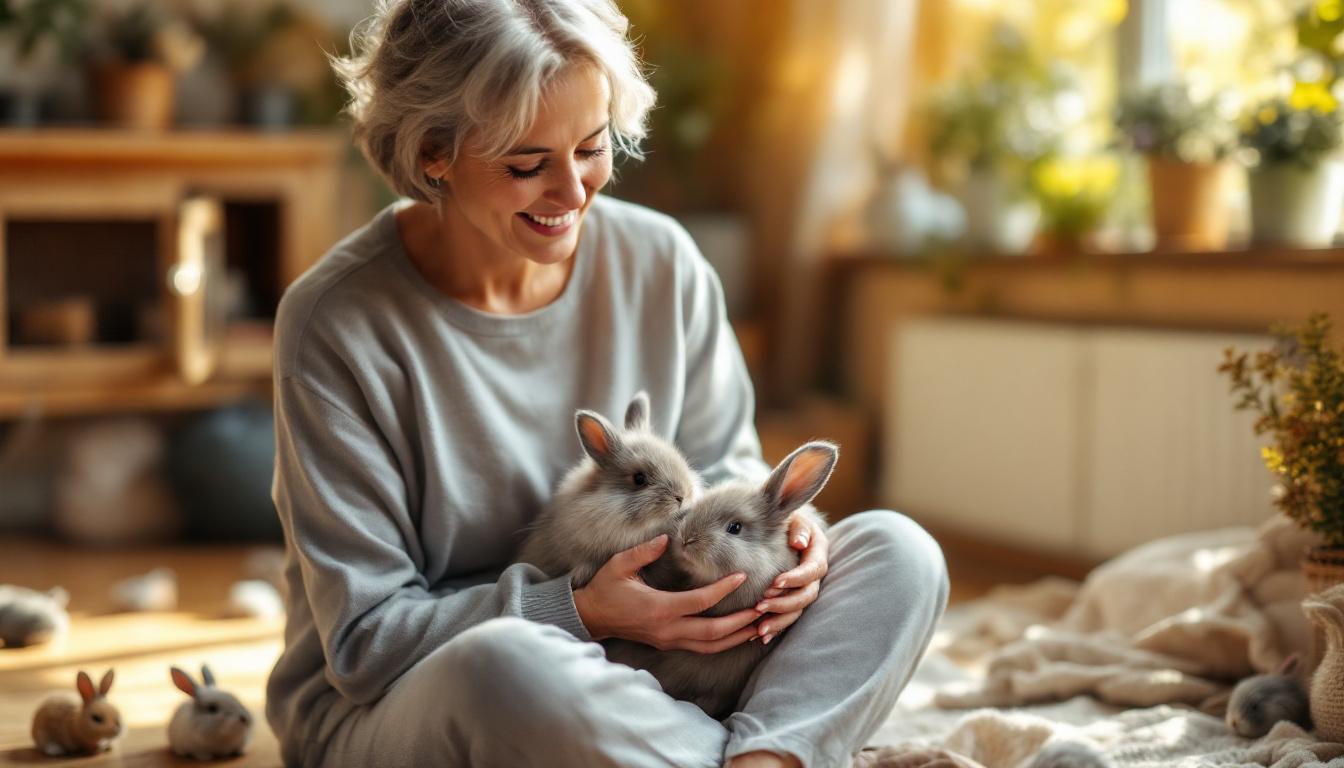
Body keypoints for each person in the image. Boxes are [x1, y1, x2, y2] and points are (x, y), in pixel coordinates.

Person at [264, 1, 949, 766]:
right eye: (527, 165)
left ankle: (760, 758)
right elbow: (365, 643)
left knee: (898, 552)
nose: (573, 192)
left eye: (592, 148)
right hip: (425, 693)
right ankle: (754, 747)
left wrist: (794, 546)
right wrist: (579, 612)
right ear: (434, 154)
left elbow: (732, 477)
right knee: (507, 668)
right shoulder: (336, 322)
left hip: (669, 676)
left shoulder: (663, 262)